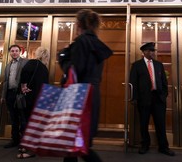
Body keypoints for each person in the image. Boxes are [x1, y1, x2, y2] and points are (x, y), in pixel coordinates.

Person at [58, 9, 113, 162]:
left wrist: (62, 58)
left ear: (79, 24)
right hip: (91, 94)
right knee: (76, 145)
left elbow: (75, 71)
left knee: (78, 145)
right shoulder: (96, 44)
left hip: (78, 96)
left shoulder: (81, 42)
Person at [129, 42, 175, 156]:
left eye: (153, 50)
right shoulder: (137, 65)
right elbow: (133, 83)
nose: (152, 52)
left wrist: (164, 95)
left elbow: (164, 81)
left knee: (160, 124)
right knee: (144, 124)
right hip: (144, 99)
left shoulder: (159, 65)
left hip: (158, 98)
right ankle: (145, 145)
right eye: (149, 51)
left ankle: (163, 147)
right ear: (144, 52)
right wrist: (134, 98)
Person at [17, 46, 49, 159]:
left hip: (30, 97)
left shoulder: (33, 63)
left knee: (27, 121)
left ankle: (27, 147)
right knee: (35, 123)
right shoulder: (45, 68)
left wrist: (23, 86)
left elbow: (24, 73)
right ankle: (30, 146)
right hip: (40, 99)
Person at [1, 45, 28, 148]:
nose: (14, 53)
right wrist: (3, 95)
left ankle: (24, 141)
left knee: (23, 118)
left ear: (20, 52)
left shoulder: (25, 62)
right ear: (10, 53)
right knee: (13, 118)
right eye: (12, 51)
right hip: (10, 94)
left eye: (16, 51)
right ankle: (15, 140)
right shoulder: (8, 65)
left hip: (20, 94)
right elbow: (5, 81)